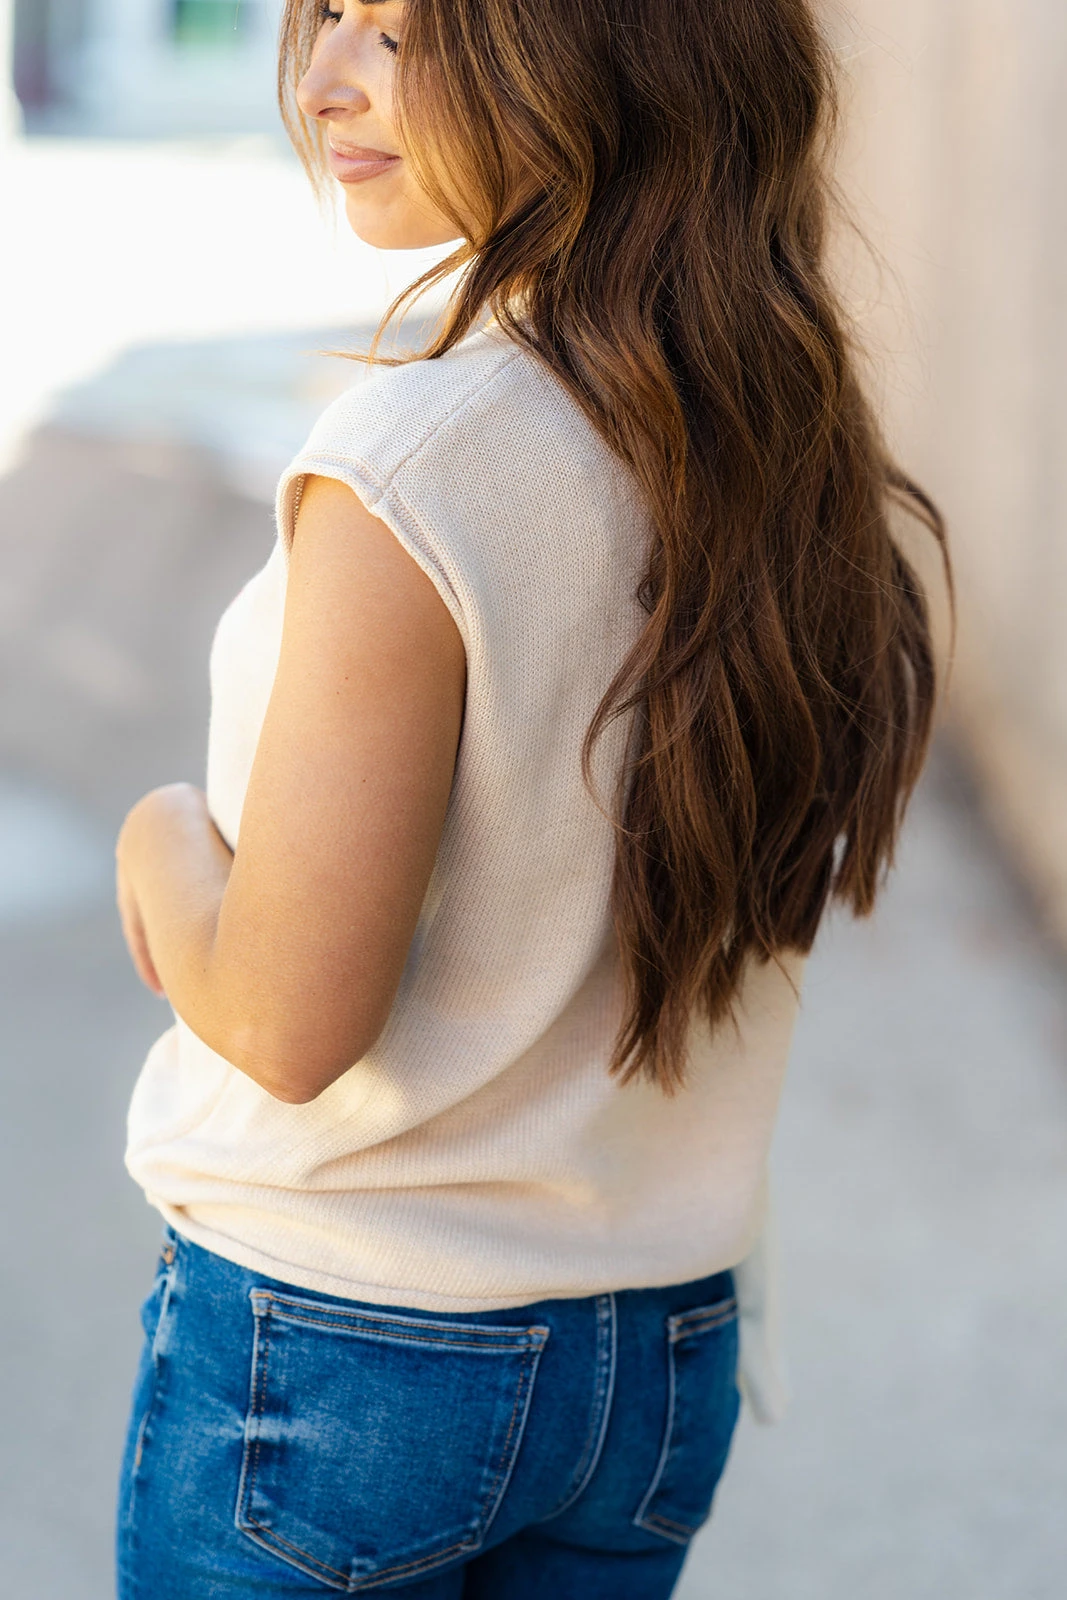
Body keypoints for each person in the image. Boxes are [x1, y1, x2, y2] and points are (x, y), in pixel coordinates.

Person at [112, 1, 951, 1595]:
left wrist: (159, 837)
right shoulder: (772, 438)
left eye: (409, 31)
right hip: (659, 1346)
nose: (326, 77)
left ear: (607, 54)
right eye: (329, 17)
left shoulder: (413, 470)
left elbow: (288, 1024)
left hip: (348, 1351)